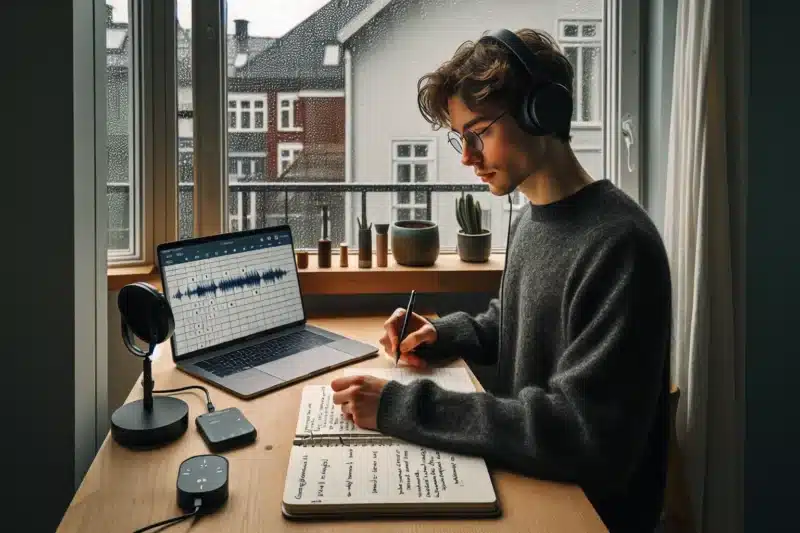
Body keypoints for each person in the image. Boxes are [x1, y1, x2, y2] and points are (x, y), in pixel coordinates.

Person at [330, 28, 672, 533]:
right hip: (528, 479)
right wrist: (443, 333)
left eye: (479, 133)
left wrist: (402, 406)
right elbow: (516, 319)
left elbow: (580, 434)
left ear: (542, 113)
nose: (467, 157)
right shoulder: (531, 218)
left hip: (582, 511)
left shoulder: (621, 246)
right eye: (460, 138)